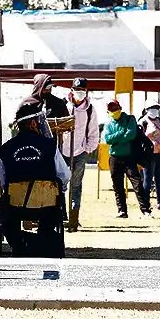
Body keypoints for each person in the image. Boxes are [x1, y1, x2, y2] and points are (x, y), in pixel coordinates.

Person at [0, 97, 70, 254]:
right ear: (32, 123)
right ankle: (41, 242)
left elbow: (3, 183)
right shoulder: (49, 145)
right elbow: (65, 175)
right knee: (52, 213)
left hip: (16, 208)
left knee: (3, 210)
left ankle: (20, 245)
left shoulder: (6, 149)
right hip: (48, 208)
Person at [58, 77, 98, 231]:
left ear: (86, 92)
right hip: (62, 152)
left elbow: (93, 131)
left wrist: (88, 148)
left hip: (80, 153)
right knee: (59, 185)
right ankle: (61, 216)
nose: (80, 93)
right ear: (71, 90)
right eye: (77, 90)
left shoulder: (90, 109)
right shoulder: (64, 105)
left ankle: (74, 218)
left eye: (82, 90)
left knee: (76, 186)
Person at [101, 99, 152, 218]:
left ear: (120, 107)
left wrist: (117, 138)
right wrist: (121, 133)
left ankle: (146, 210)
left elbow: (131, 134)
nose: (114, 111)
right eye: (111, 109)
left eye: (115, 108)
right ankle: (122, 211)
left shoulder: (130, 119)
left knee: (137, 184)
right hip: (114, 157)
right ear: (108, 111)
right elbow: (108, 139)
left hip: (129, 157)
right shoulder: (108, 124)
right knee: (117, 186)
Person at [139, 102, 160, 210]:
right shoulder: (143, 121)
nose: (155, 110)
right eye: (152, 108)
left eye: (156, 108)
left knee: (159, 179)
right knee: (147, 180)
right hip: (149, 154)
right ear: (147, 109)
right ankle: (145, 203)